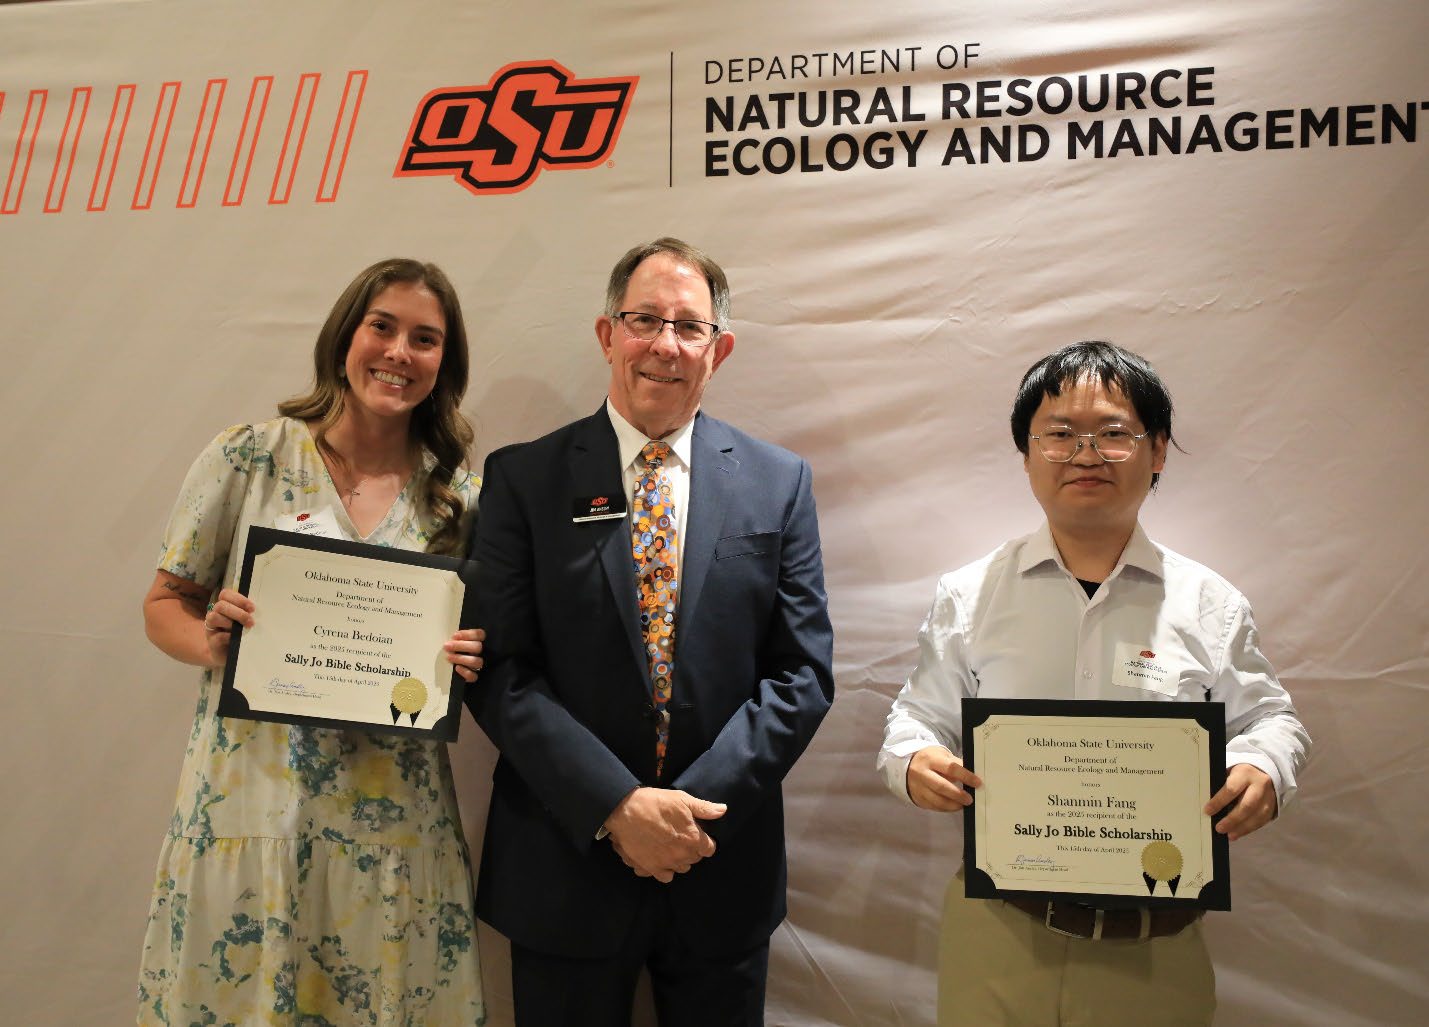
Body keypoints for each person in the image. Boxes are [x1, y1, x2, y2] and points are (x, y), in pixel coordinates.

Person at [878, 341, 1311, 1026]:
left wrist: (1260, 764)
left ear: (1157, 450)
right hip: (996, 930)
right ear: (1025, 453)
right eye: (1058, 434)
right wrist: (914, 761)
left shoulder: (1207, 602)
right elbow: (915, 718)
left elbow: (1270, 720)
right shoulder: (969, 594)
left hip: (1153, 946)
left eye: (1113, 433)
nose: (1085, 454)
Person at [467, 237, 834, 1026]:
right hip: (564, 859)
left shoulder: (779, 483)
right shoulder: (523, 479)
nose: (664, 345)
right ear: (607, 334)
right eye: (644, 320)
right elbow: (499, 669)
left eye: (688, 327)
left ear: (719, 348)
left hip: (718, 860)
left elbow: (801, 674)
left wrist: (684, 811)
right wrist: (616, 805)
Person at [136, 259, 488, 1025]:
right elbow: (165, 602)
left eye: (425, 339)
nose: (399, 352)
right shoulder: (248, 457)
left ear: (445, 365)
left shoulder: (459, 498)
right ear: (344, 336)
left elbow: (479, 641)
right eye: (383, 326)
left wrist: (466, 657)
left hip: (394, 821)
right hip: (253, 802)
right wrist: (213, 643)